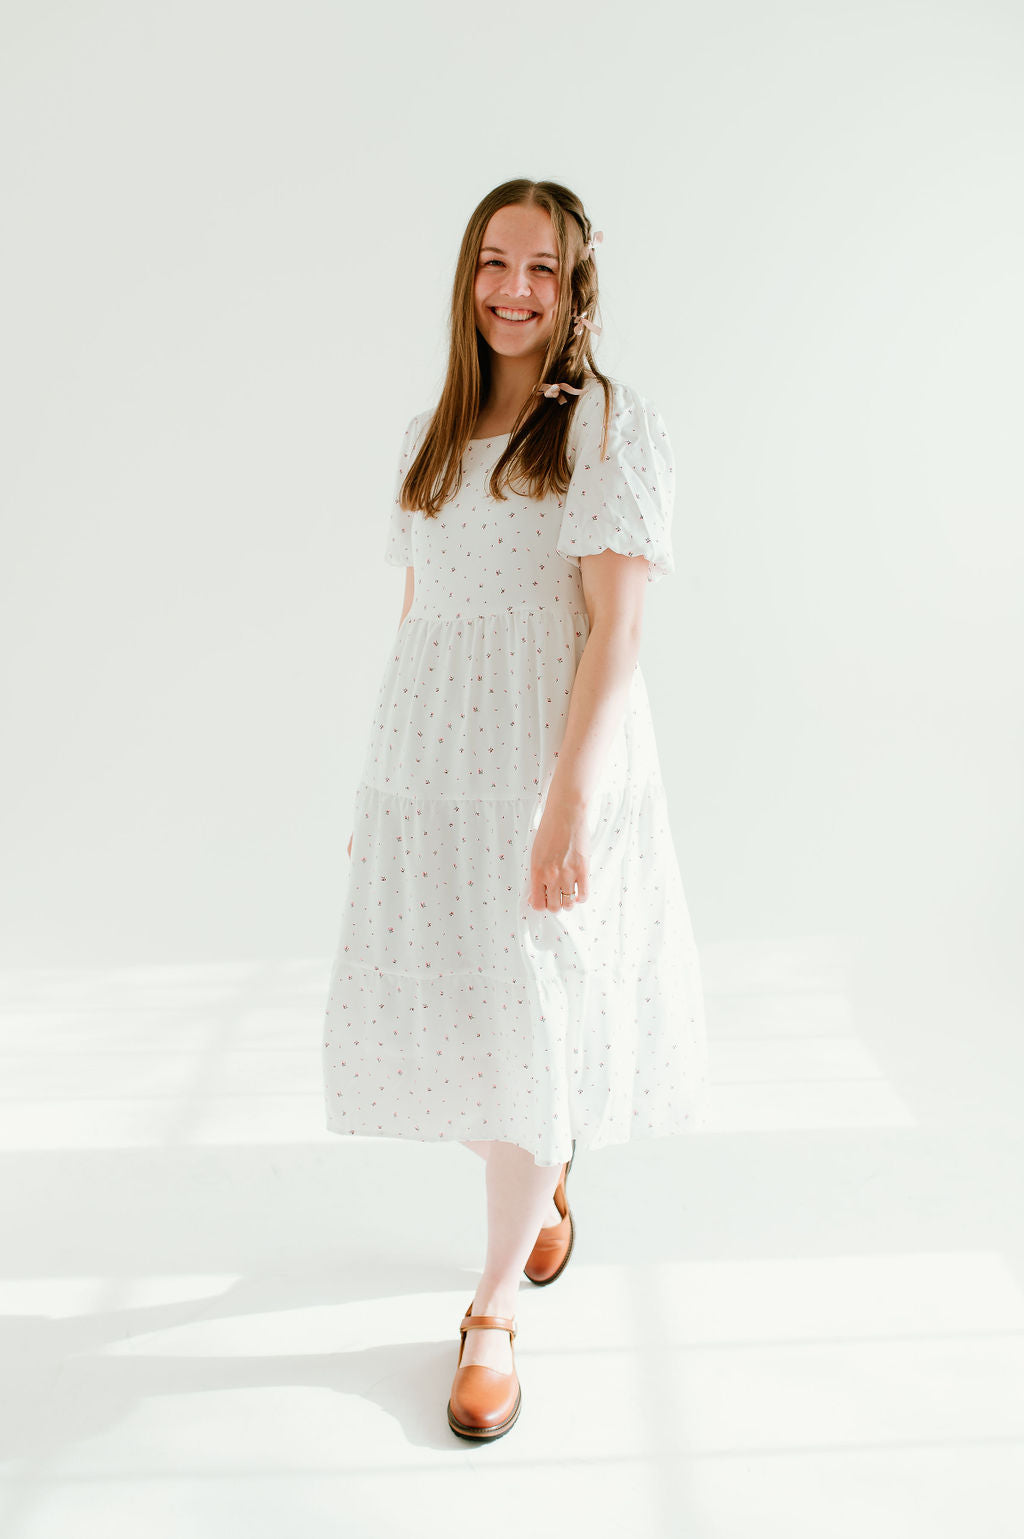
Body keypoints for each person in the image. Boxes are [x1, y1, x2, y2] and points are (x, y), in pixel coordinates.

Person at [322, 179, 710, 1441]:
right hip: (434, 767)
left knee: (537, 1018)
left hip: (546, 766)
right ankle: (544, 1175)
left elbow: (617, 632)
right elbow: (421, 617)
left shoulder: (604, 427)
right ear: (467, 274)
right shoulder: (429, 434)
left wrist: (567, 807)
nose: (514, 289)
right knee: (464, 1017)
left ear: (574, 286)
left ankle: (490, 1309)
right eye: (495, 261)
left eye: (542, 268)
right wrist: (385, 789)